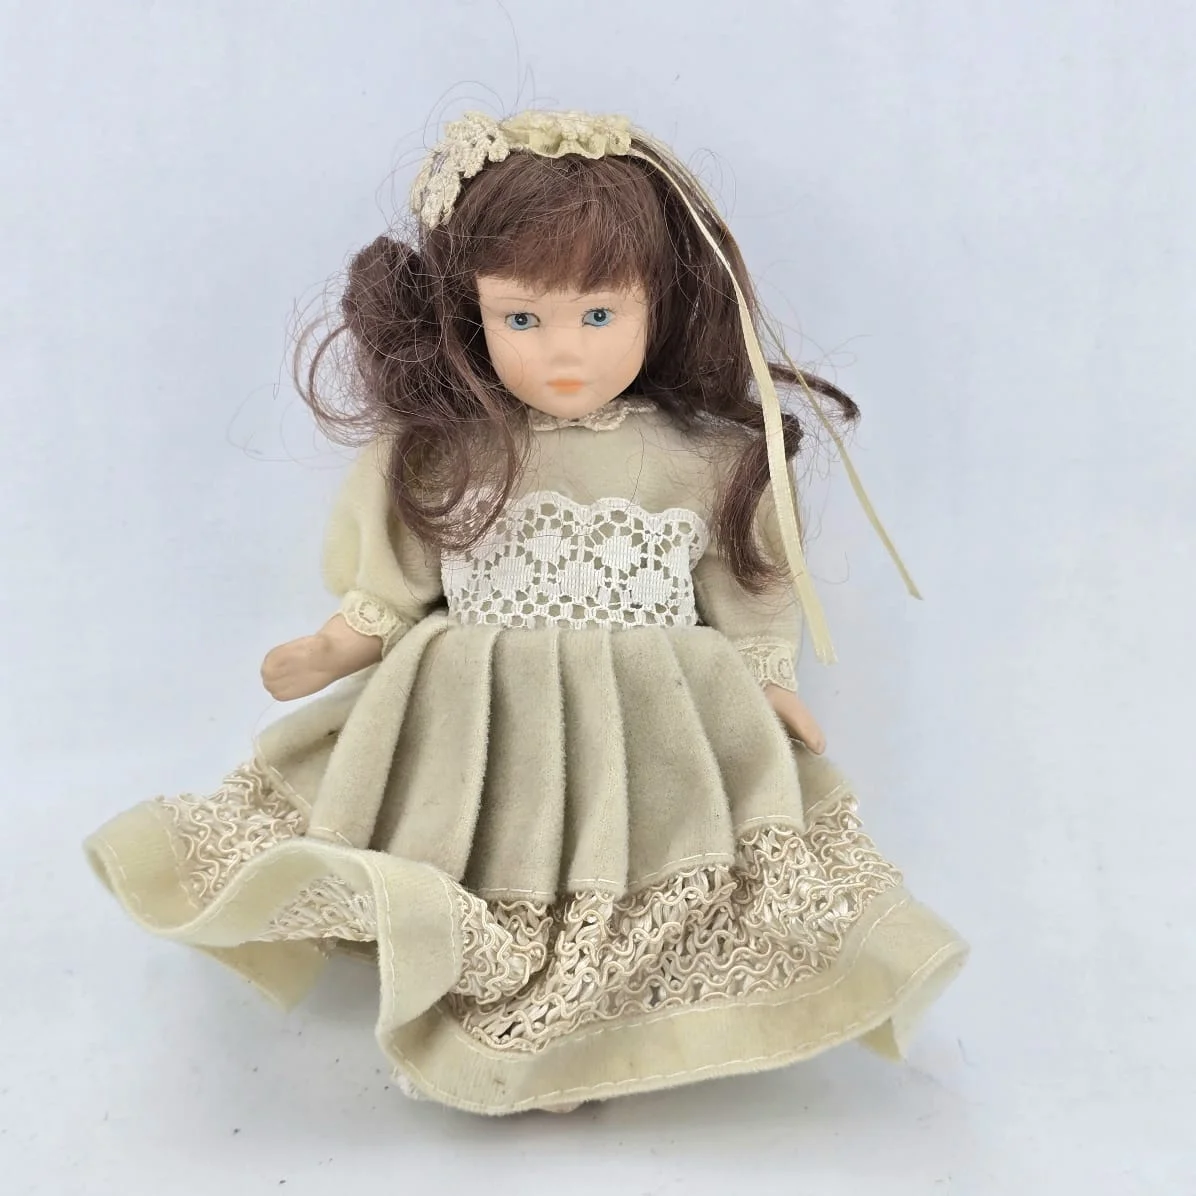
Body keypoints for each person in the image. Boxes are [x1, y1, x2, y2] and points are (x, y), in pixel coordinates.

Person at [85, 109, 967, 1115]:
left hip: (650, 718)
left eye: (598, 315)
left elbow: (747, 581)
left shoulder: (708, 457)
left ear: (657, 302)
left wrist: (768, 680)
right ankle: (502, 1013)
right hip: (478, 721)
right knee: (490, 859)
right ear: (471, 312)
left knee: (629, 870)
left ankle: (578, 1030)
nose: (562, 352)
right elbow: (396, 575)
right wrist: (336, 644)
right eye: (521, 319)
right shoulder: (446, 451)